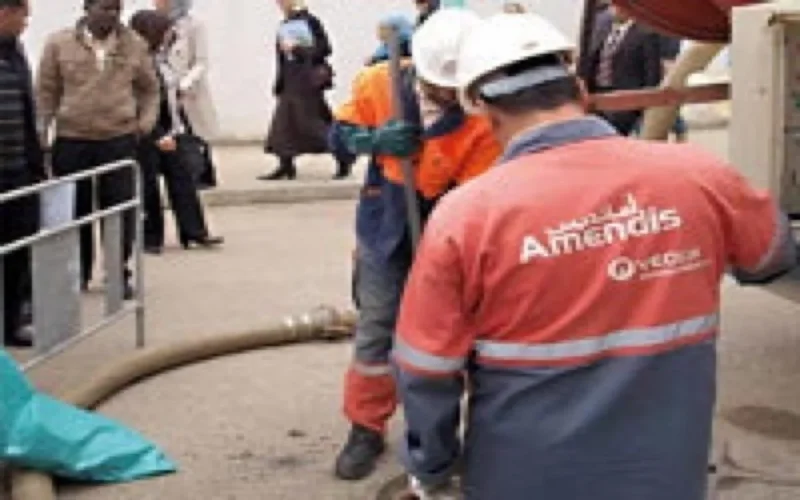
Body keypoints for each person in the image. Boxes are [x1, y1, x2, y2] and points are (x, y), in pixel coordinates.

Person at [393, 12, 798, 500]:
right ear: (581, 90)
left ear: (484, 110)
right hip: (665, 473)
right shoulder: (700, 175)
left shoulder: (466, 215)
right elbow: (772, 256)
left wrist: (432, 467)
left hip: (523, 477)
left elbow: (426, 368)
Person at [329, 8, 502, 482]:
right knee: (376, 329)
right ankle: (365, 427)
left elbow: (477, 192)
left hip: (449, 227)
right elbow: (336, 139)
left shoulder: (483, 113)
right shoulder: (377, 84)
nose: (452, 96)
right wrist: (371, 139)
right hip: (384, 224)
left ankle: (450, 432)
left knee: (454, 333)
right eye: (444, 87)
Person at [36, 0, 159, 299]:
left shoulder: (134, 44)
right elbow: (46, 91)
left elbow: (150, 88)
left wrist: (144, 123)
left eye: (116, 8)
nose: (111, 14)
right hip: (72, 138)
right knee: (74, 210)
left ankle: (117, 274)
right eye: (104, 7)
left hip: (117, 138)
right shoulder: (59, 43)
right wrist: (41, 133)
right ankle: (78, 273)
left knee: (119, 210)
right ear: (87, 8)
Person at [129, 10, 223, 255]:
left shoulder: (162, 60)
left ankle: (194, 231)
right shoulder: (137, 64)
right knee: (148, 184)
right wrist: (158, 134)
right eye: (165, 32)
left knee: (183, 180)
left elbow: (170, 92)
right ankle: (151, 237)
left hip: (172, 127)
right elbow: (140, 103)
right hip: (148, 132)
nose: (170, 36)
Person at [261, 0, 352, 181]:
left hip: (308, 82)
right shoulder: (285, 25)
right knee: (284, 125)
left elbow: (324, 49)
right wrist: (279, 81)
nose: (280, 5)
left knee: (315, 124)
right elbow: (282, 58)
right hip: (290, 81)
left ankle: (343, 158)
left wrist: (298, 49)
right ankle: (286, 165)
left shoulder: (310, 21)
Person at [0, 0, 43, 348]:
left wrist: (36, 166)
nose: (26, 23)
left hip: (18, 171)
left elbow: (28, 109)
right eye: (22, 15)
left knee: (17, 252)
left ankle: (11, 323)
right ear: (4, 13)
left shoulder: (15, 53)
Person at [153, 0, 219, 187]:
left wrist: (185, 83)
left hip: (189, 90)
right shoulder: (156, 23)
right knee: (174, 131)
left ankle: (203, 172)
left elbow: (201, 61)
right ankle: (185, 172)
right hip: (166, 87)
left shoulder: (194, 26)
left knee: (195, 130)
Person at [576, 2, 664, 135]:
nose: (615, 10)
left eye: (619, 7)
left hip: (625, 99)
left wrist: (644, 105)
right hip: (597, 94)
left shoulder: (645, 34)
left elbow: (652, 73)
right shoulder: (603, 28)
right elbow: (591, 58)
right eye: (615, 6)